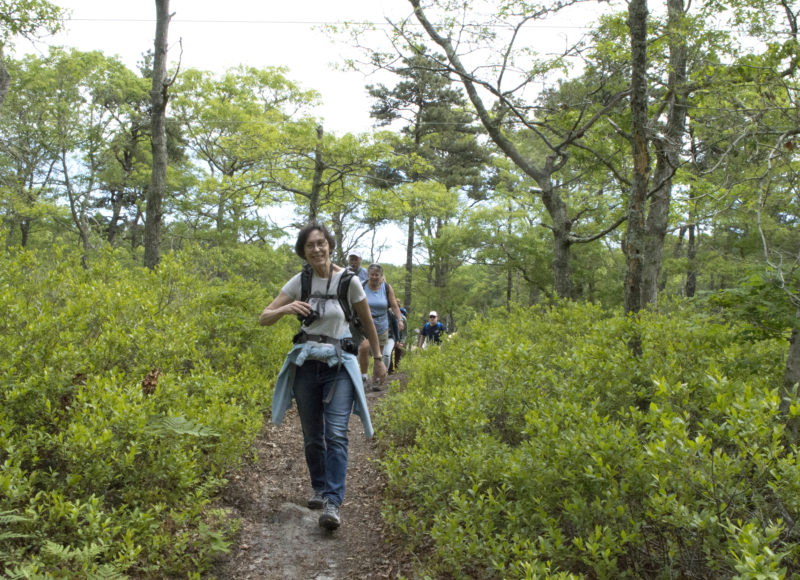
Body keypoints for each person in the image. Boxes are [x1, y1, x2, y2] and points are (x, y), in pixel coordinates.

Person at [259, 222, 386, 531]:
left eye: (321, 243)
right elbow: (264, 317)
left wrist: (379, 359)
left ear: (330, 245)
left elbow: (368, 324)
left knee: (336, 433)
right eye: (309, 246)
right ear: (304, 252)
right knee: (313, 435)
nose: (316, 249)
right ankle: (319, 487)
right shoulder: (300, 281)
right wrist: (287, 308)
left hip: (340, 364)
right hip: (306, 365)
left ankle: (332, 501)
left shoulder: (349, 282)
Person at [357, 263, 404, 390]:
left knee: (379, 354)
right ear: (368, 275)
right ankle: (363, 377)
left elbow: (394, 305)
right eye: (372, 274)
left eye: (377, 275)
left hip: (381, 324)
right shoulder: (361, 286)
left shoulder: (387, 288)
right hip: (364, 324)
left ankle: (376, 380)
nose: (374, 277)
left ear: (381, 276)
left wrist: (400, 319)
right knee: (364, 348)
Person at [389, 307, 408, 374]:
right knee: (389, 353)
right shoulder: (390, 317)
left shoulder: (404, 320)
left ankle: (397, 369)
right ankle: (390, 370)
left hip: (399, 338)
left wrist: (402, 342)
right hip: (391, 337)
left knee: (398, 352)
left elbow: (405, 333)